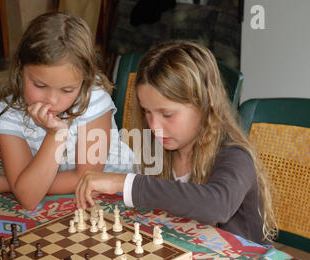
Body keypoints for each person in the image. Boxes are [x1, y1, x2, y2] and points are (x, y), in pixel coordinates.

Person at [75, 40, 278, 245]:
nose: (154, 126)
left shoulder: (235, 154)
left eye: (167, 114)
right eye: (147, 112)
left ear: (206, 104)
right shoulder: (160, 147)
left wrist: (124, 182)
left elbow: (216, 206)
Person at [0, 12, 133, 210]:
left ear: (85, 79)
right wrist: (55, 135)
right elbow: (29, 198)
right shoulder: (9, 113)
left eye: (67, 90)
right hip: (67, 201)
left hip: (118, 195)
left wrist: (14, 184)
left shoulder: (93, 99)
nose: (52, 100)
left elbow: (87, 178)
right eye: (39, 84)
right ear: (21, 67)